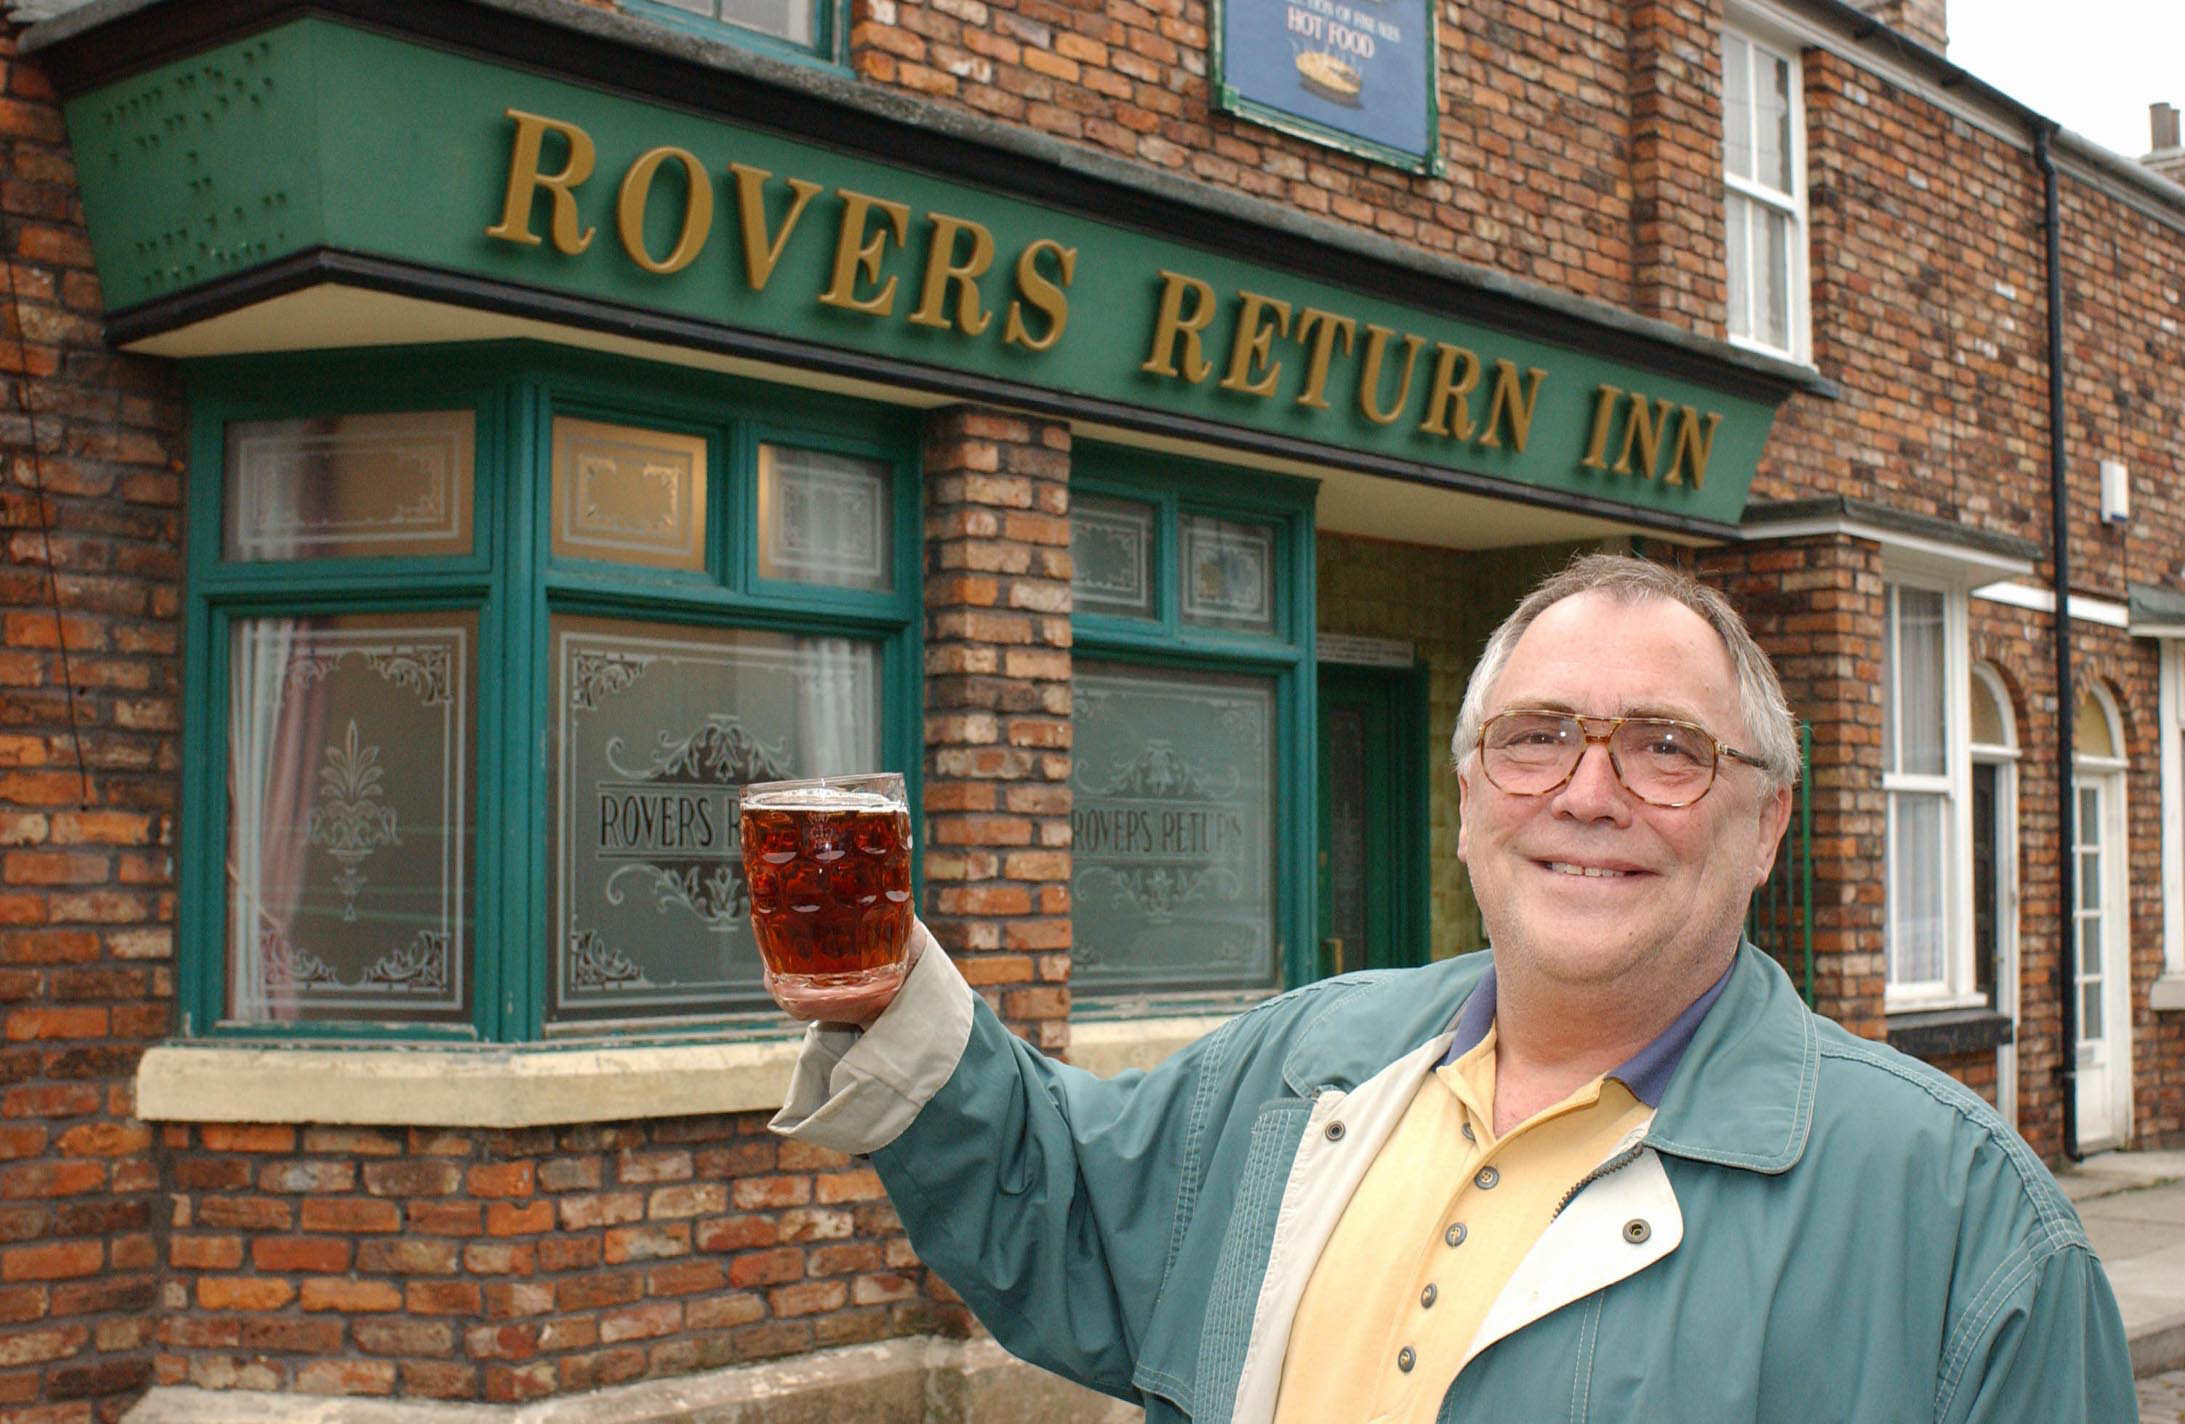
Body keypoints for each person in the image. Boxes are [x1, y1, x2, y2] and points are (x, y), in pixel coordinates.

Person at [769, 553, 2134, 1424]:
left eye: (1665, 749)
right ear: (1469, 793)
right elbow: (1063, 1198)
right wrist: (888, 998)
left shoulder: (1959, 1223)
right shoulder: (1311, 1059)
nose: (1587, 794)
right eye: (1535, 738)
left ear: (1765, 822)